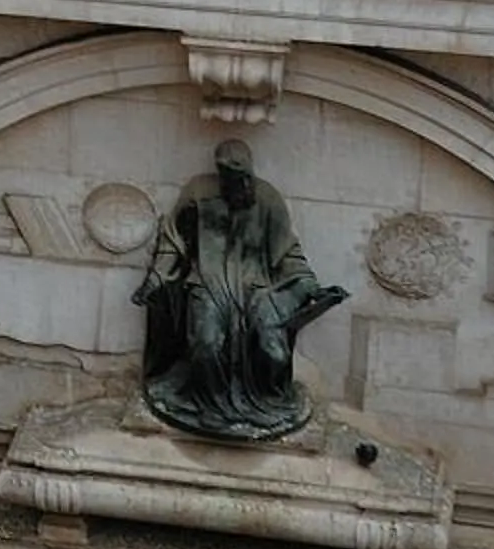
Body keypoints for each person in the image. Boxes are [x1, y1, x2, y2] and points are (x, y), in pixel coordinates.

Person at [134, 138, 346, 443]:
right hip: (206, 283)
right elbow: (173, 242)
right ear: (221, 176)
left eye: (245, 178)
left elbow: (287, 253)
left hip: (256, 291)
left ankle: (267, 401)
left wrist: (311, 289)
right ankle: (210, 407)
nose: (241, 186)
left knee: (273, 352)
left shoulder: (268, 199)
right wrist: (155, 280)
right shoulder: (198, 192)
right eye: (233, 180)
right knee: (206, 344)